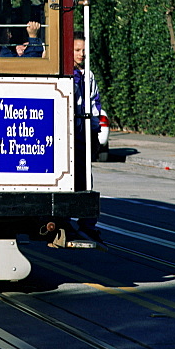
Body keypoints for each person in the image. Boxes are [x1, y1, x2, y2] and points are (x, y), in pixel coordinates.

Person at [73, 31, 101, 240]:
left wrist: (94, 131)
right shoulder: (68, 74)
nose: (81, 54)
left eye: (84, 50)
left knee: (85, 178)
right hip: (69, 131)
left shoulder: (88, 74)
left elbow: (94, 104)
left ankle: (87, 222)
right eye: (77, 50)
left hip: (83, 132)